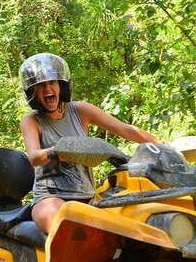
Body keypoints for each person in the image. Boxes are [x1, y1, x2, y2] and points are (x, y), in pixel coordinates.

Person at [19, 53, 158, 233]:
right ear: (33, 92)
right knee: (67, 228)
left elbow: (126, 130)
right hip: (50, 197)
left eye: (52, 82)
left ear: (61, 85)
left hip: (88, 196)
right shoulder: (31, 121)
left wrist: (163, 145)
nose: (47, 89)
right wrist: (60, 150)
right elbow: (34, 157)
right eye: (41, 85)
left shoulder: (80, 110)